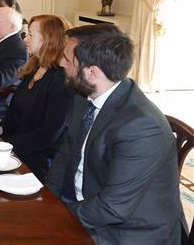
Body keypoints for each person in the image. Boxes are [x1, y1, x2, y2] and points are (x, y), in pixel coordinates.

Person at [45, 24, 187, 244]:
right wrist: (46, 201)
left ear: (92, 72)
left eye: (67, 59)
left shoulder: (141, 127)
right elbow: (66, 154)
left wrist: (59, 215)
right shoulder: (85, 95)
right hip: (88, 205)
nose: (61, 63)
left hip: (128, 231)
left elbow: (112, 209)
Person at [0, 15, 74, 180]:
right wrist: (0, 128)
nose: (25, 39)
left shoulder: (61, 80)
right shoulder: (35, 67)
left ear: (48, 40)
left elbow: (47, 136)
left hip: (38, 158)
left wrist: (7, 145)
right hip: (16, 145)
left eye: (31, 35)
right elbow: (15, 112)